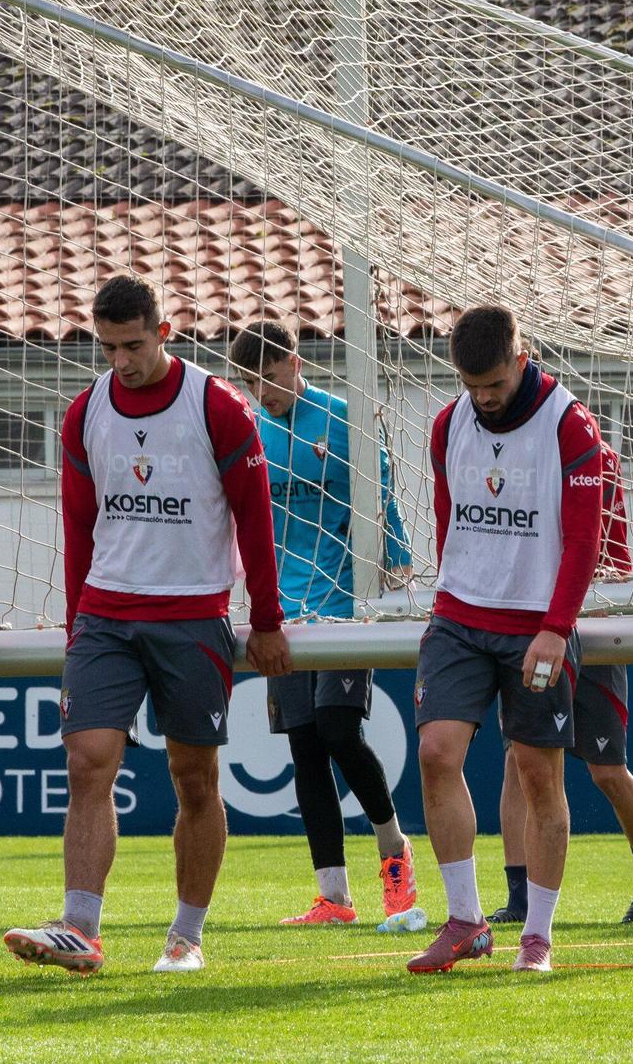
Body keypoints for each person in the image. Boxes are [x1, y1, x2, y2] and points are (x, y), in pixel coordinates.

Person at [4, 277, 287, 976]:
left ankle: (186, 935)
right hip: (106, 616)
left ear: (165, 330)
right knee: (86, 762)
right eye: (108, 348)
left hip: (193, 613)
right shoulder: (83, 413)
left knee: (194, 778)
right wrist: (76, 624)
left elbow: (256, 519)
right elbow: (76, 526)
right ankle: (80, 927)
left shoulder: (219, 408)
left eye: (132, 345)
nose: (121, 360)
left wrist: (267, 618)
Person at [404, 306, 606, 974]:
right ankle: (465, 920)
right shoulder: (447, 424)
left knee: (538, 776)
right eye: (471, 385)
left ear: (523, 357)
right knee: (436, 752)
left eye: (493, 382)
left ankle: (537, 936)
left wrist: (556, 626)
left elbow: (585, 539)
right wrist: (448, 596)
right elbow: (449, 521)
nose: (483, 397)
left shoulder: (569, 423)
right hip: (460, 618)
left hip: (535, 628)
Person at [227, 319, 423, 931]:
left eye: (267, 377)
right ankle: (332, 897)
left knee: (339, 731)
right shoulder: (253, 430)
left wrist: (396, 559)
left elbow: (381, 492)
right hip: (281, 614)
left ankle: (395, 855)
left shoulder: (343, 418)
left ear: (293, 362)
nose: (262, 392)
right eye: (249, 383)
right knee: (305, 749)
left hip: (343, 606)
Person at [489, 440, 633, 927]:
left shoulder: (591, 451)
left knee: (607, 771)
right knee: (516, 761)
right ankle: (519, 894)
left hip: (591, 619)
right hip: (528, 624)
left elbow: (593, 543)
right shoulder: (498, 452)